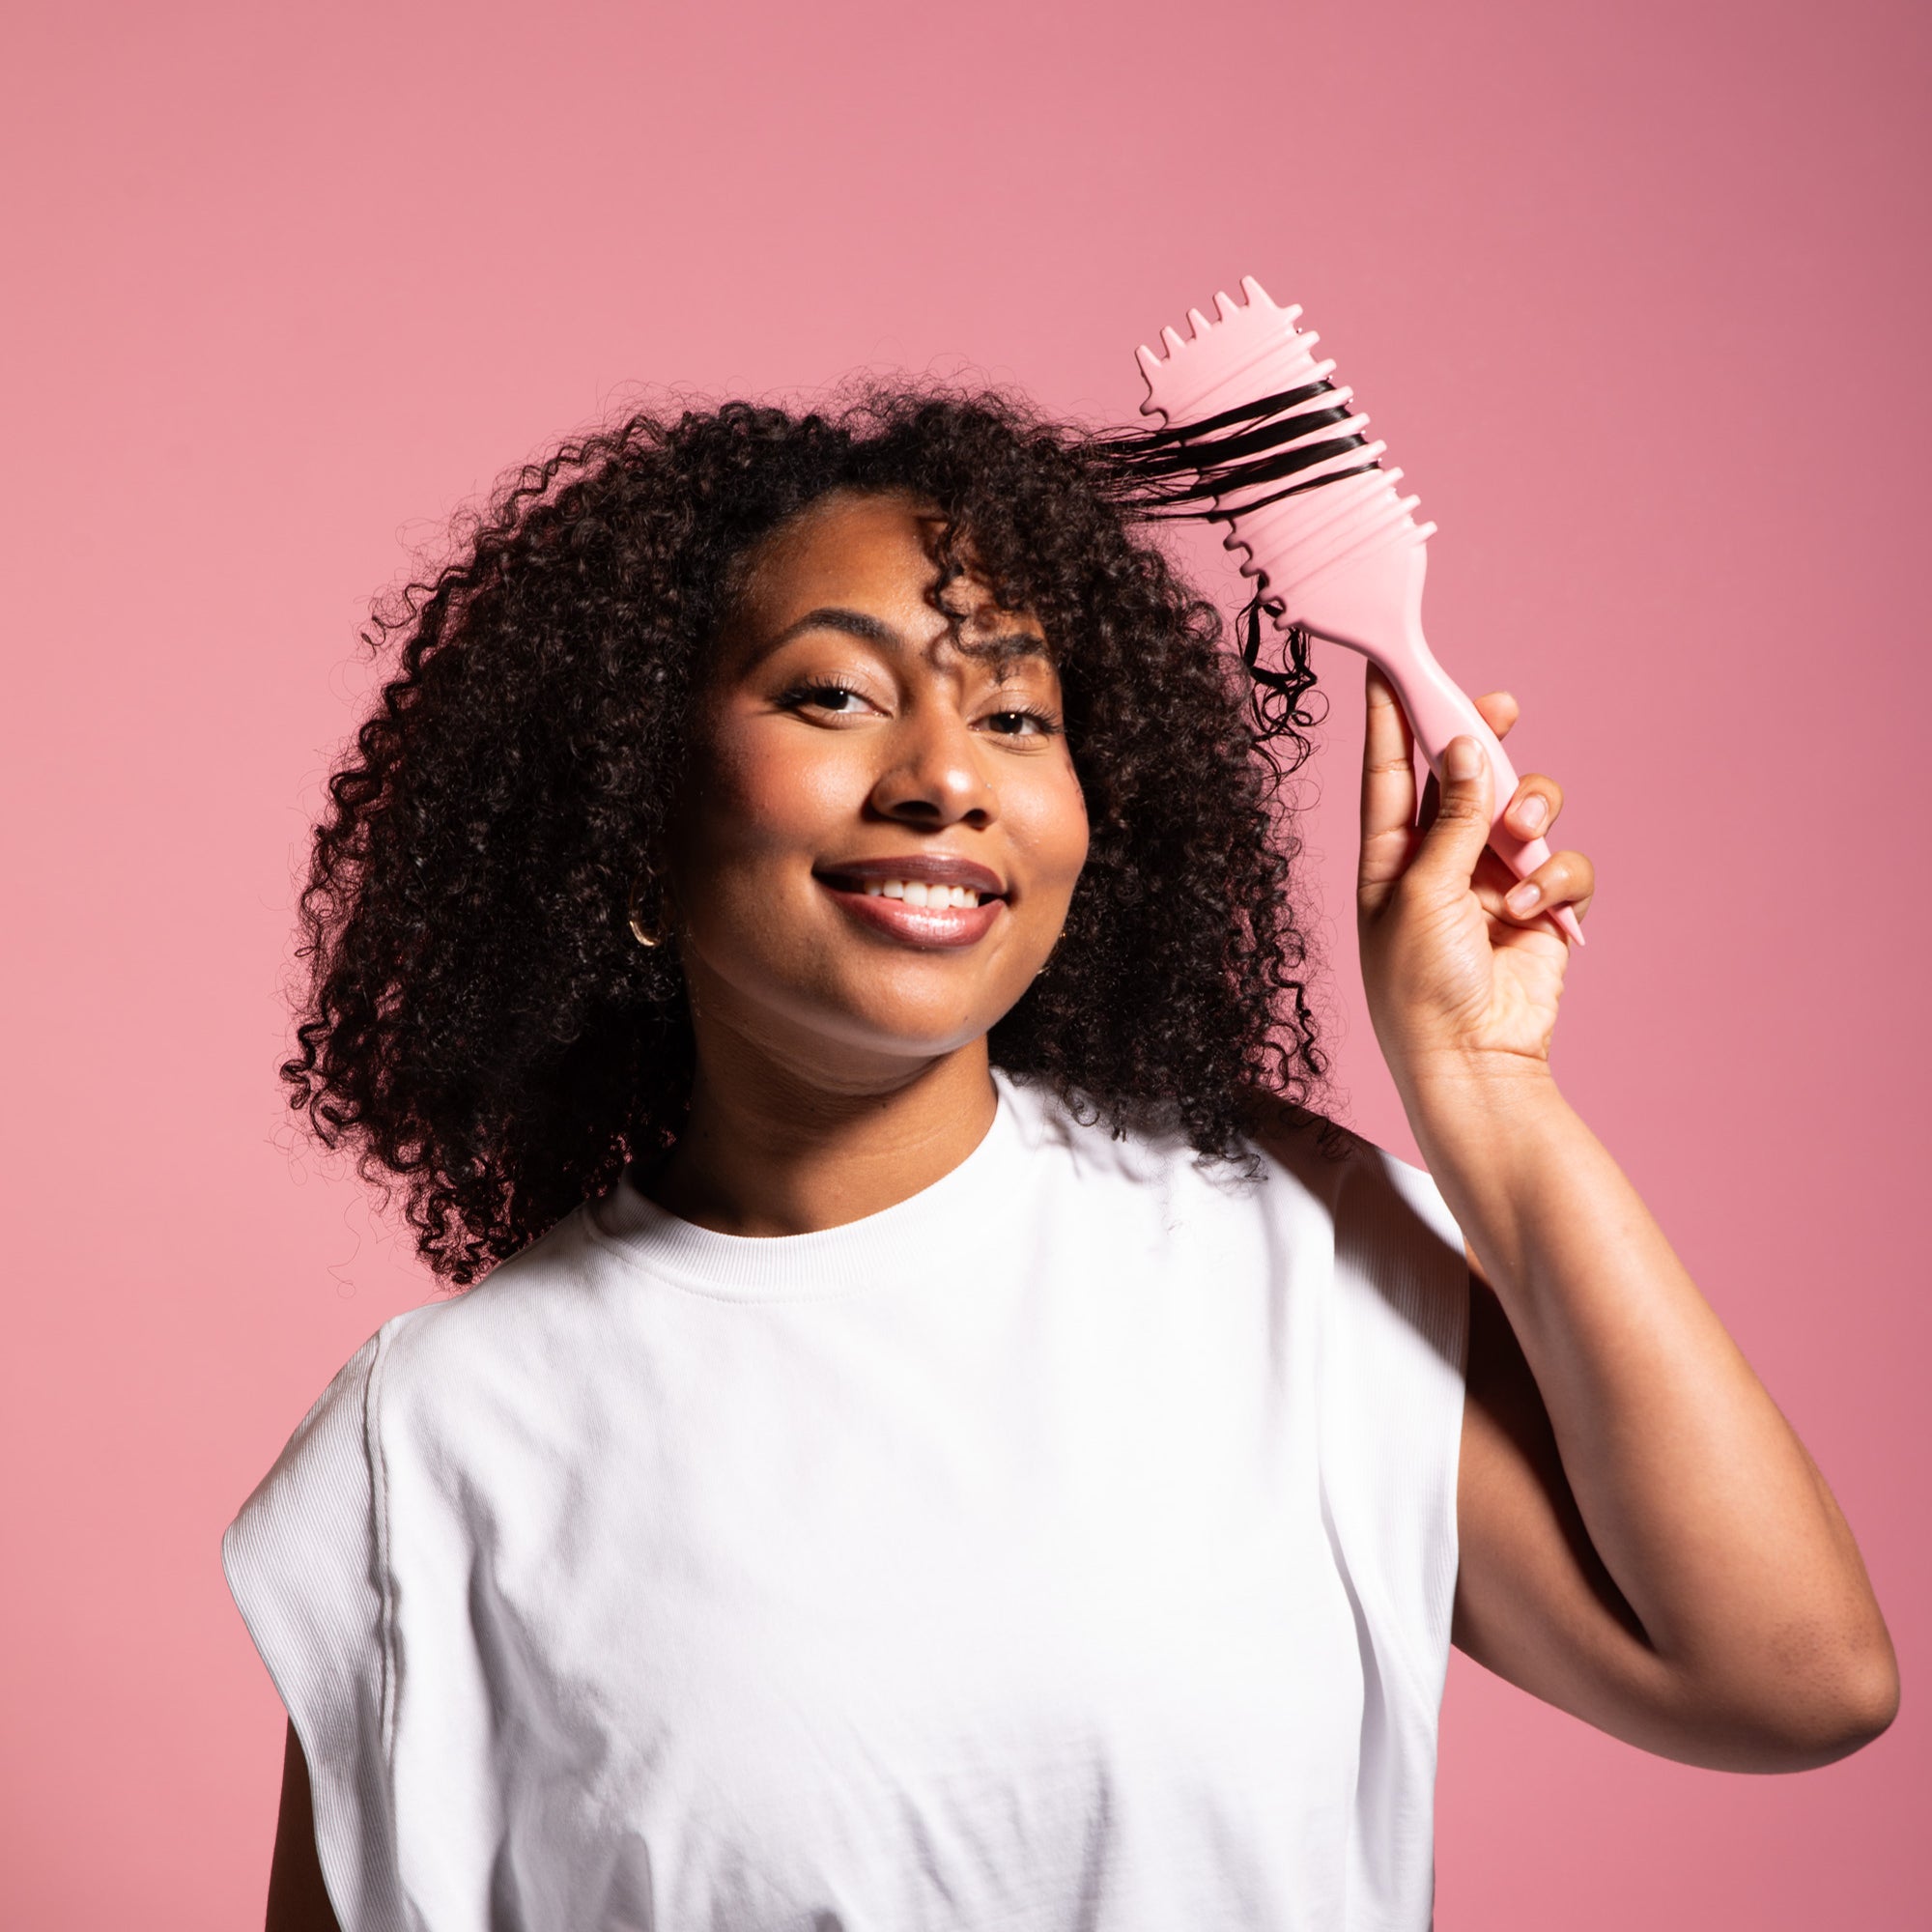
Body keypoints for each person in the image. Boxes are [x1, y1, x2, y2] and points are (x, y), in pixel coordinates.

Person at [226, 389, 1897, 1932]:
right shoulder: (434, 1439)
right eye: (836, 695)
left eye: (1018, 714)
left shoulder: (1276, 1243)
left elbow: (1793, 1680)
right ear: (631, 820)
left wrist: (1483, 1081)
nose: (948, 777)